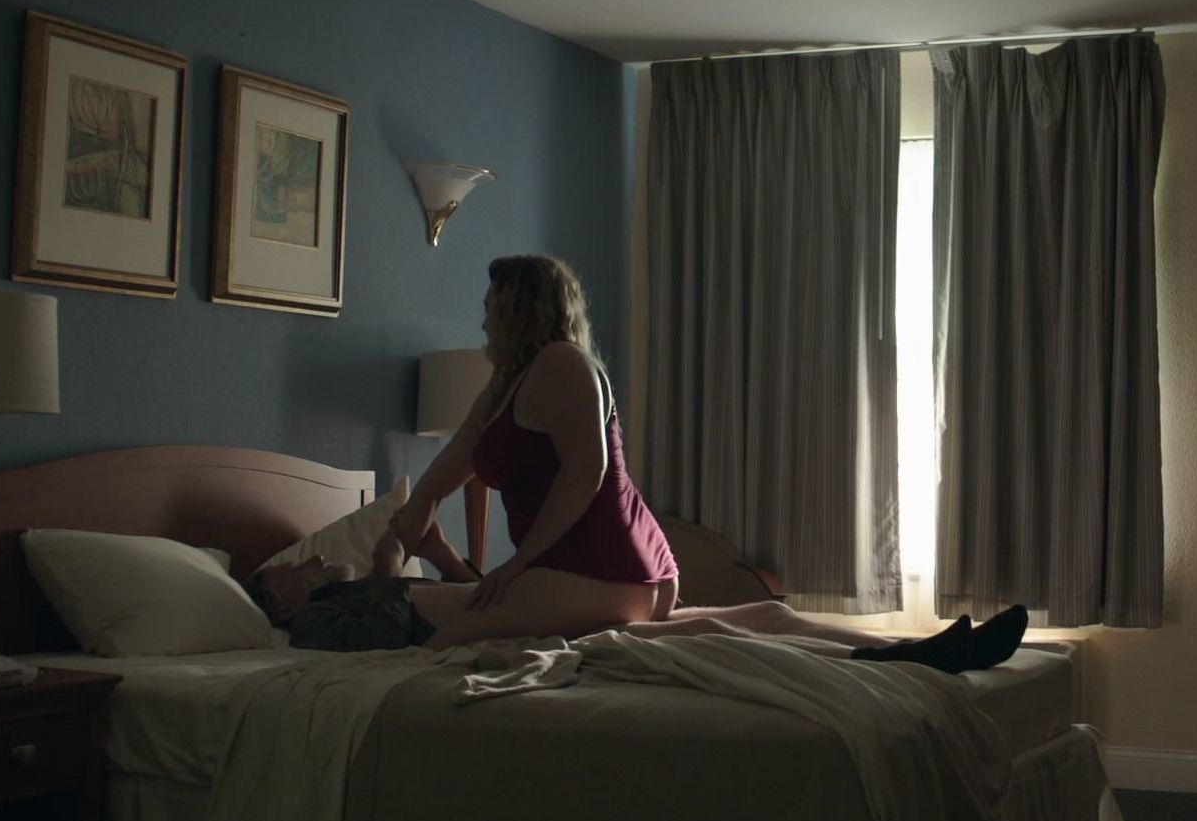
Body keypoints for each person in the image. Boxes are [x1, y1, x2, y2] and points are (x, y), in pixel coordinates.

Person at [387, 254, 679, 649]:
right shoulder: (504, 386)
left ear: (518, 312)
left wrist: (519, 562)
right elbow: (445, 471)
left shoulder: (562, 362)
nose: (484, 324)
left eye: (491, 309)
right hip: (594, 573)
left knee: (443, 645)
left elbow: (586, 471)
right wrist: (399, 540)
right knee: (452, 624)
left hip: (613, 570)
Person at [244, 528, 1031, 673]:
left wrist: (429, 551)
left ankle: (917, 648)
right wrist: (378, 566)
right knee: (724, 638)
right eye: (286, 569)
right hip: (562, 630)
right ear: (275, 604)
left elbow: (469, 581)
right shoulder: (318, 623)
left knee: (766, 613)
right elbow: (399, 631)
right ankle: (898, 662)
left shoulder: (349, 591)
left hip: (542, 607)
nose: (305, 559)